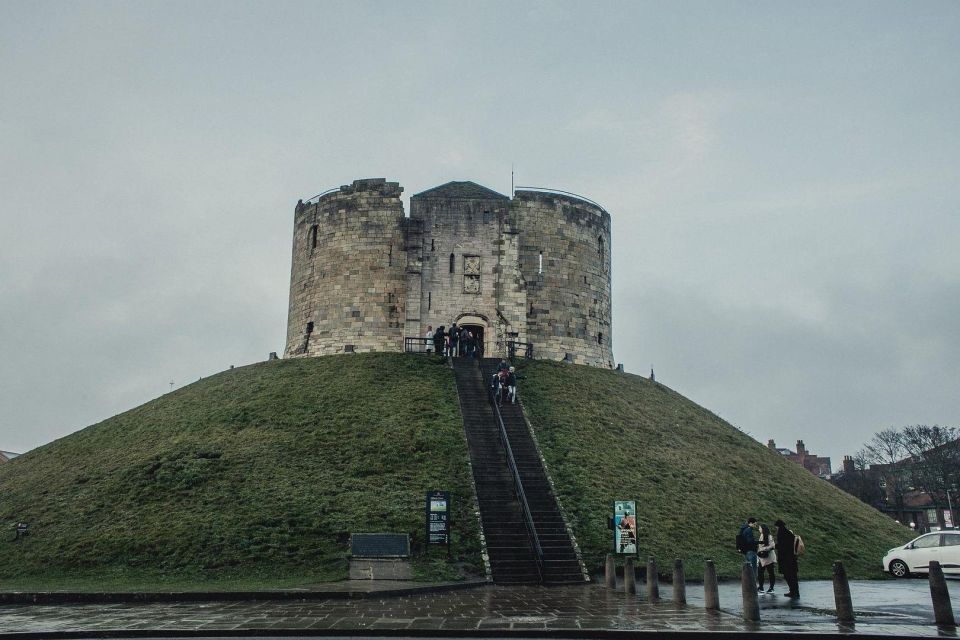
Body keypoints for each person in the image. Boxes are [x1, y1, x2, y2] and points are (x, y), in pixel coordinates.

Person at [774, 519, 800, 598]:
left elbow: (782, 546)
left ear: (778, 526)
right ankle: (795, 591)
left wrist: (775, 546)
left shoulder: (781, 533)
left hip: (786, 559)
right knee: (793, 576)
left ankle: (793, 592)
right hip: (791, 558)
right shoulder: (788, 532)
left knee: (788, 576)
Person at [756, 523, 777, 593]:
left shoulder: (769, 536)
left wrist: (763, 549)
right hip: (762, 558)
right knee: (760, 572)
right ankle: (761, 587)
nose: (759, 529)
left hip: (769, 558)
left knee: (771, 572)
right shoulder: (761, 535)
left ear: (763, 529)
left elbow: (772, 546)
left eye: (760, 528)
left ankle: (771, 588)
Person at [739, 517, 759, 582]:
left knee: (748, 568)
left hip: (746, 551)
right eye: (754, 524)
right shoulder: (749, 530)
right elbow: (750, 541)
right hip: (751, 550)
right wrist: (757, 542)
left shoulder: (743, 529)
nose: (755, 526)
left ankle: (748, 583)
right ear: (750, 523)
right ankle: (753, 584)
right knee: (753, 568)